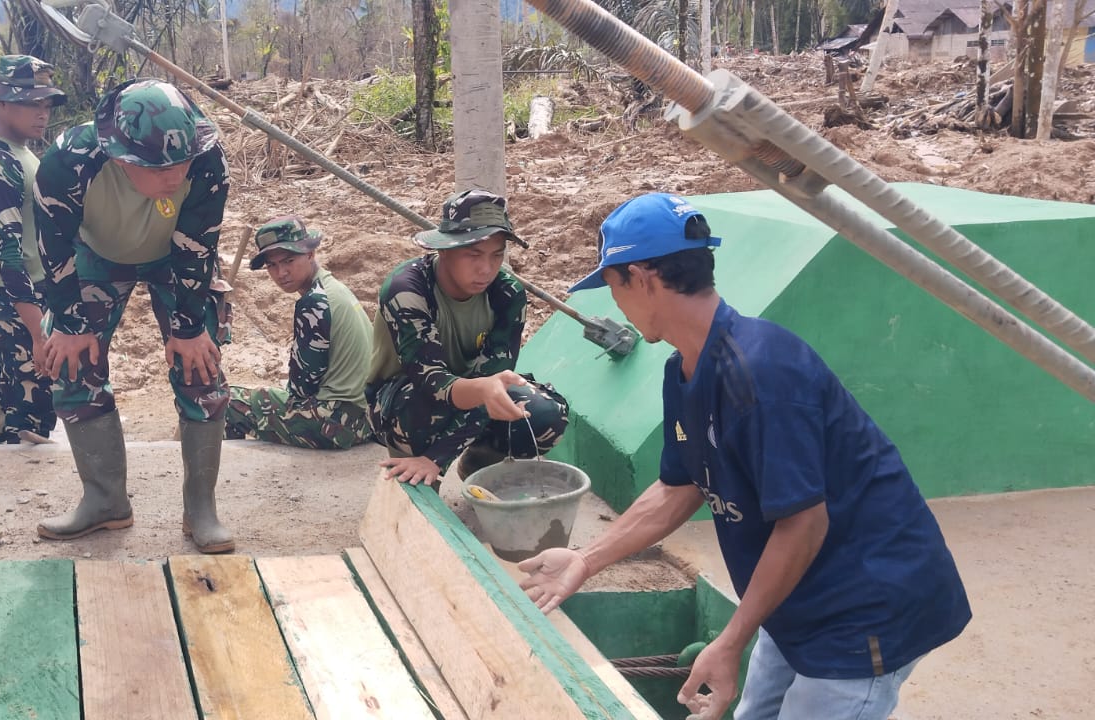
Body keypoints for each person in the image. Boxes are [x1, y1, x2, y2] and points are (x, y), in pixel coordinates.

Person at [517, 193, 971, 720]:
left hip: (863, 607)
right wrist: (586, 559)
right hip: (793, 596)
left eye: (614, 286)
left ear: (641, 278)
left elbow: (803, 524)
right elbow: (681, 486)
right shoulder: (684, 368)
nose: (615, 303)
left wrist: (731, 641)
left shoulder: (762, 372)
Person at [32, 78, 235, 553]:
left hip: (177, 259)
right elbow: (52, 246)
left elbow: (197, 246)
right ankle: (105, 502)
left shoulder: (207, 160)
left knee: (200, 367)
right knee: (72, 363)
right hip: (97, 255)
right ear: (120, 157)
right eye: (160, 166)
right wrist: (70, 325)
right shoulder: (68, 161)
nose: (175, 175)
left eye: (182, 161)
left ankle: (200, 509)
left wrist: (189, 327)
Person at [367, 189, 570, 486]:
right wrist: (434, 459)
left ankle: (479, 467)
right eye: (473, 255)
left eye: (496, 255)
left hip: (470, 390)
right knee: (425, 409)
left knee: (543, 414)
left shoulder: (507, 293)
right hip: (404, 399)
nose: (486, 269)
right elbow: (432, 381)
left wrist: (440, 456)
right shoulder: (407, 290)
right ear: (444, 250)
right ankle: (412, 471)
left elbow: (492, 381)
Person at [0, 55, 65, 445]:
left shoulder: (20, 154)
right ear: (1, 103)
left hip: (23, 299)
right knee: (29, 420)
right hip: (14, 303)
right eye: (30, 104)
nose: (41, 114)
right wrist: (38, 333)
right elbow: (7, 254)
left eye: (46, 104)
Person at [224, 217, 371, 449]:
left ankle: (227, 466)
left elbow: (303, 388)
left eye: (289, 261)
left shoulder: (314, 302)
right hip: (365, 416)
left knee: (224, 400)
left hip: (335, 423)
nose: (281, 272)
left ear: (310, 254)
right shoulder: (334, 289)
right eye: (272, 266)